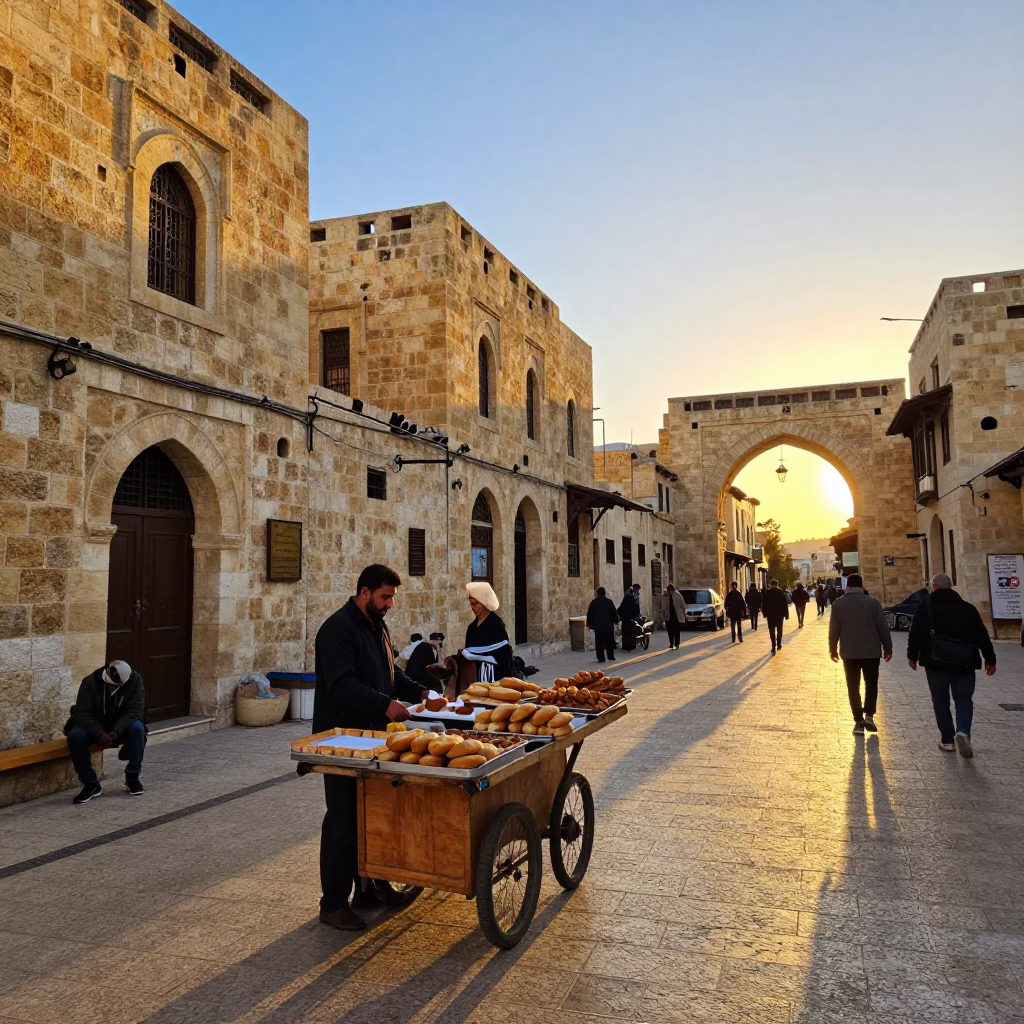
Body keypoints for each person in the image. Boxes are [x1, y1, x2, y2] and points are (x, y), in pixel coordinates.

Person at [314, 564, 428, 931]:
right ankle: (333, 904)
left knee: (369, 816)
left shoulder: (377, 625)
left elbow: (390, 673)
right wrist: (385, 704)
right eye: (385, 596)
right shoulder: (337, 629)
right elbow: (341, 685)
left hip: (373, 740)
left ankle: (366, 892)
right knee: (343, 820)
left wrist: (422, 693)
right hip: (343, 742)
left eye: (392, 597)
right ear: (364, 593)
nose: (390, 604)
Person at [907, 573, 996, 757]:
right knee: (964, 699)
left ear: (934, 587)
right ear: (951, 586)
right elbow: (982, 635)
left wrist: (912, 655)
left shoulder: (926, 606)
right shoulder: (968, 608)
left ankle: (947, 741)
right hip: (964, 662)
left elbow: (915, 633)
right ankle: (963, 731)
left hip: (936, 662)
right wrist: (990, 659)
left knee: (940, 701)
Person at [63, 660, 147, 804]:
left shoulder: (135, 680)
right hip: (95, 725)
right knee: (75, 736)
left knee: (138, 728)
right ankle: (91, 783)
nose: (114, 688)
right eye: (111, 685)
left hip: (121, 724)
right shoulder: (90, 682)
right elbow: (82, 713)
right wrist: (99, 732)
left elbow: (135, 710)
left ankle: (132, 776)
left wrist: (117, 730)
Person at [828, 573, 892, 736]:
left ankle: (858, 721)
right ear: (862, 586)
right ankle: (869, 715)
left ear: (847, 586)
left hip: (849, 653)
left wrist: (833, 649)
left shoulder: (838, 604)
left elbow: (834, 630)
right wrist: (888, 648)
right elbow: (883, 628)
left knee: (853, 686)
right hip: (871, 652)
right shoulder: (873, 603)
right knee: (871, 683)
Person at [463, 581, 514, 680]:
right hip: (474, 679)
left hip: (493, 679)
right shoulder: (471, 627)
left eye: (475, 604)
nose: (472, 607)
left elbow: (503, 656)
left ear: (484, 602)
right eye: (471, 604)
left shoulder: (496, 624)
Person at [586, 586, 619, 662]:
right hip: (608, 626)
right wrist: (616, 621)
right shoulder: (609, 602)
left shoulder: (593, 602)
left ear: (597, 593)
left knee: (599, 642)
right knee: (609, 641)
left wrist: (589, 624)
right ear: (604, 593)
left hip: (598, 627)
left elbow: (590, 614)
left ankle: (601, 657)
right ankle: (610, 656)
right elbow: (614, 612)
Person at [762, 579, 789, 655]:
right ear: (777, 584)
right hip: (779, 615)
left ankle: (773, 646)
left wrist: (765, 613)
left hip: (770, 615)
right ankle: (779, 643)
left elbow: (764, 604)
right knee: (779, 629)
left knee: (772, 630)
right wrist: (786, 614)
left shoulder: (768, 593)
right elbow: (785, 604)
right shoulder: (780, 593)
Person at [661, 584, 686, 649]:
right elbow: (663, 606)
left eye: (671, 590)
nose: (670, 592)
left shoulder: (678, 595)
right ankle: (671, 643)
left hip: (676, 617)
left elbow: (683, 605)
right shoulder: (666, 596)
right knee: (670, 631)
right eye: (669, 590)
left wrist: (684, 614)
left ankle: (677, 643)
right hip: (668, 616)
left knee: (676, 631)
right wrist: (662, 615)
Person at [617, 584, 641, 651]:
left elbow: (621, 608)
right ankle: (631, 645)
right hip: (631, 618)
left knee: (627, 633)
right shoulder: (634, 598)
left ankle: (626, 646)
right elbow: (636, 608)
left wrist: (619, 614)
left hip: (626, 618)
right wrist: (637, 615)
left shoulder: (627, 598)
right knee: (631, 632)